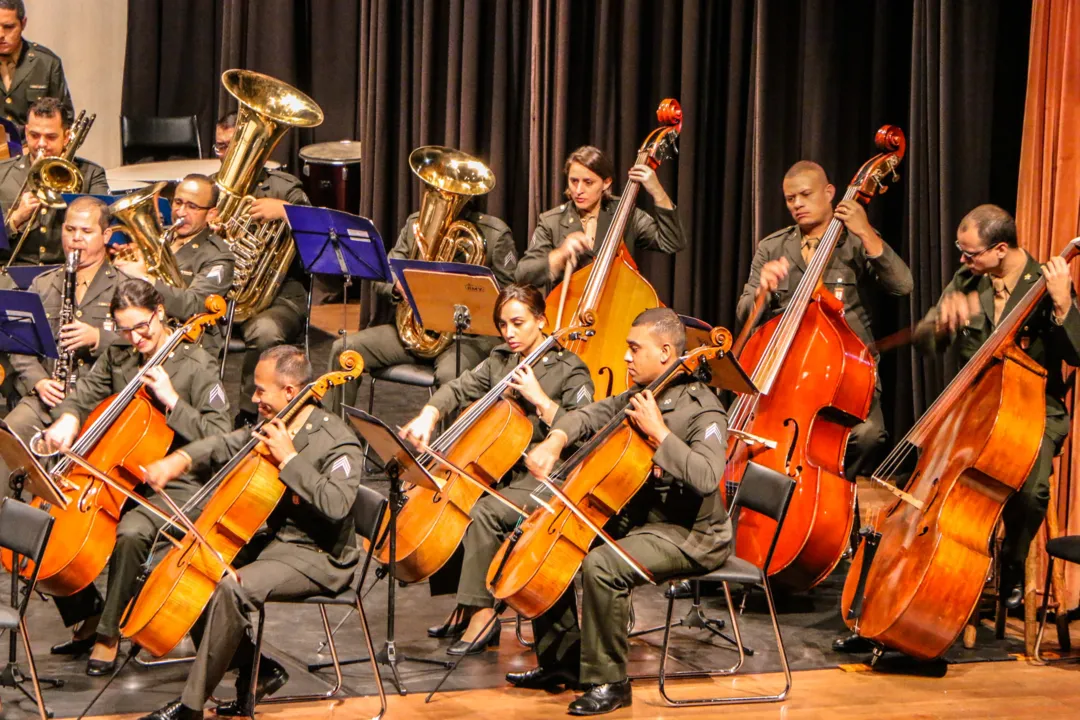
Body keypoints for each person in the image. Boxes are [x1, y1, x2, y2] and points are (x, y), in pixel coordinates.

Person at [510, 307, 730, 715]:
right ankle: (563, 663)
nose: (626, 358)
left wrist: (659, 432)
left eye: (634, 349)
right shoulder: (641, 395)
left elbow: (705, 476)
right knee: (554, 542)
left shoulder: (704, 409)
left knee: (602, 566)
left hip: (691, 536)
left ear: (666, 352)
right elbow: (589, 415)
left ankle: (610, 682)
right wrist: (556, 439)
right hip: (644, 521)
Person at [136, 345, 365, 720]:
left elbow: (337, 503)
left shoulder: (336, 439)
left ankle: (191, 707)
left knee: (234, 588)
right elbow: (228, 443)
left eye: (261, 390)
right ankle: (256, 672)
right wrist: (179, 460)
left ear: (290, 391)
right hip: (279, 543)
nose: (254, 398)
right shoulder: (276, 424)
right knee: (198, 569)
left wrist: (289, 458)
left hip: (318, 555)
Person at [41, 278, 232, 676]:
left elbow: (220, 437)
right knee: (50, 525)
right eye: (124, 329)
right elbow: (84, 395)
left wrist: (173, 400)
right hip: (116, 471)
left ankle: (109, 634)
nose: (135, 338)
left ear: (160, 313)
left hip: (175, 481)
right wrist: (68, 420)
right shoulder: (120, 353)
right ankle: (89, 614)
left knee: (130, 534)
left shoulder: (197, 365)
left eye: (141, 327)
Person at [398, 284, 594, 654]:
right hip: (504, 471)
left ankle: (482, 615)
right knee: (455, 498)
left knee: (483, 511)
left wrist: (541, 401)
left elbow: (586, 432)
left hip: (548, 479)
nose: (509, 333)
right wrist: (429, 414)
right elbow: (457, 388)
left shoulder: (571, 369)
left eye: (518, 323)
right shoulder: (502, 359)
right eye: (503, 324)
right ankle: (465, 601)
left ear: (541, 320)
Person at [916, 205, 1080, 606]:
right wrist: (940, 325)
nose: (962, 259)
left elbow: (1076, 354)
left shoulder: (1044, 282)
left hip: (1035, 408)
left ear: (1001, 249)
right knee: (938, 469)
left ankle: (1012, 561)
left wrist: (1062, 306)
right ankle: (943, 567)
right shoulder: (968, 280)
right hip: (973, 404)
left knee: (1032, 486)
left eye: (970, 252)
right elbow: (925, 343)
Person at [736, 160, 913, 483]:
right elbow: (743, 314)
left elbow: (903, 286)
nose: (797, 205)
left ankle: (834, 488)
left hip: (845, 373)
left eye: (805, 195)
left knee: (870, 434)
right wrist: (762, 291)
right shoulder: (773, 246)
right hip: (788, 372)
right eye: (790, 199)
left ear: (830, 193)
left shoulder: (856, 240)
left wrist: (867, 233)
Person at [325, 151, 517, 415]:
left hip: (466, 339)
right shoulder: (415, 224)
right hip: (413, 331)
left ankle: (446, 450)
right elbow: (383, 271)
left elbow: (506, 297)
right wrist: (398, 285)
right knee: (343, 349)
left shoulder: (494, 234)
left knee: (452, 375)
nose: (441, 192)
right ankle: (333, 433)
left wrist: (465, 293)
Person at [1, 197, 125, 454]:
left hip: (100, 400)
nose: (76, 238)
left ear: (106, 235)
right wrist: (39, 382)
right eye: (70, 230)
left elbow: (141, 345)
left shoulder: (125, 287)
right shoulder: (43, 285)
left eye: (86, 231)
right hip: (47, 398)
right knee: (8, 438)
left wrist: (98, 338)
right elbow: (20, 346)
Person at [213, 112, 314, 428]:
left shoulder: (284, 189)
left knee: (265, 331)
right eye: (220, 147)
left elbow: (318, 233)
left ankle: (248, 413)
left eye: (234, 145)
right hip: (218, 294)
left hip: (277, 298)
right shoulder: (210, 189)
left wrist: (286, 212)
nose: (227, 155)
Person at [516, 145, 686, 297]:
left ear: (606, 182)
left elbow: (671, 242)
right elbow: (523, 274)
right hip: (569, 314)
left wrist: (657, 191)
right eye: (574, 181)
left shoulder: (625, 212)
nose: (579, 190)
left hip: (616, 309)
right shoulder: (551, 221)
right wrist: (560, 255)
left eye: (588, 182)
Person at [114, 173, 235, 357]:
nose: (180, 212)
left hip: (188, 345)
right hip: (142, 332)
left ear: (211, 214)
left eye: (192, 206)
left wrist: (143, 277)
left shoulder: (218, 256)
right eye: (178, 202)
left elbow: (194, 305)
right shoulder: (161, 239)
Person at [0, 96, 108, 264]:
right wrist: (15, 219)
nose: (41, 144)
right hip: (11, 273)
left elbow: (104, 231)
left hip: (66, 271)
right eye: (34, 135)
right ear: (26, 132)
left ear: (66, 137)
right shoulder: (2, 172)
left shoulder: (90, 174)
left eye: (51, 137)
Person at [0, 0, 72, 127]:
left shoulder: (46, 64)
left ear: (23, 24)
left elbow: (65, 119)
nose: (1, 34)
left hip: (34, 145)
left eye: (8, 27)